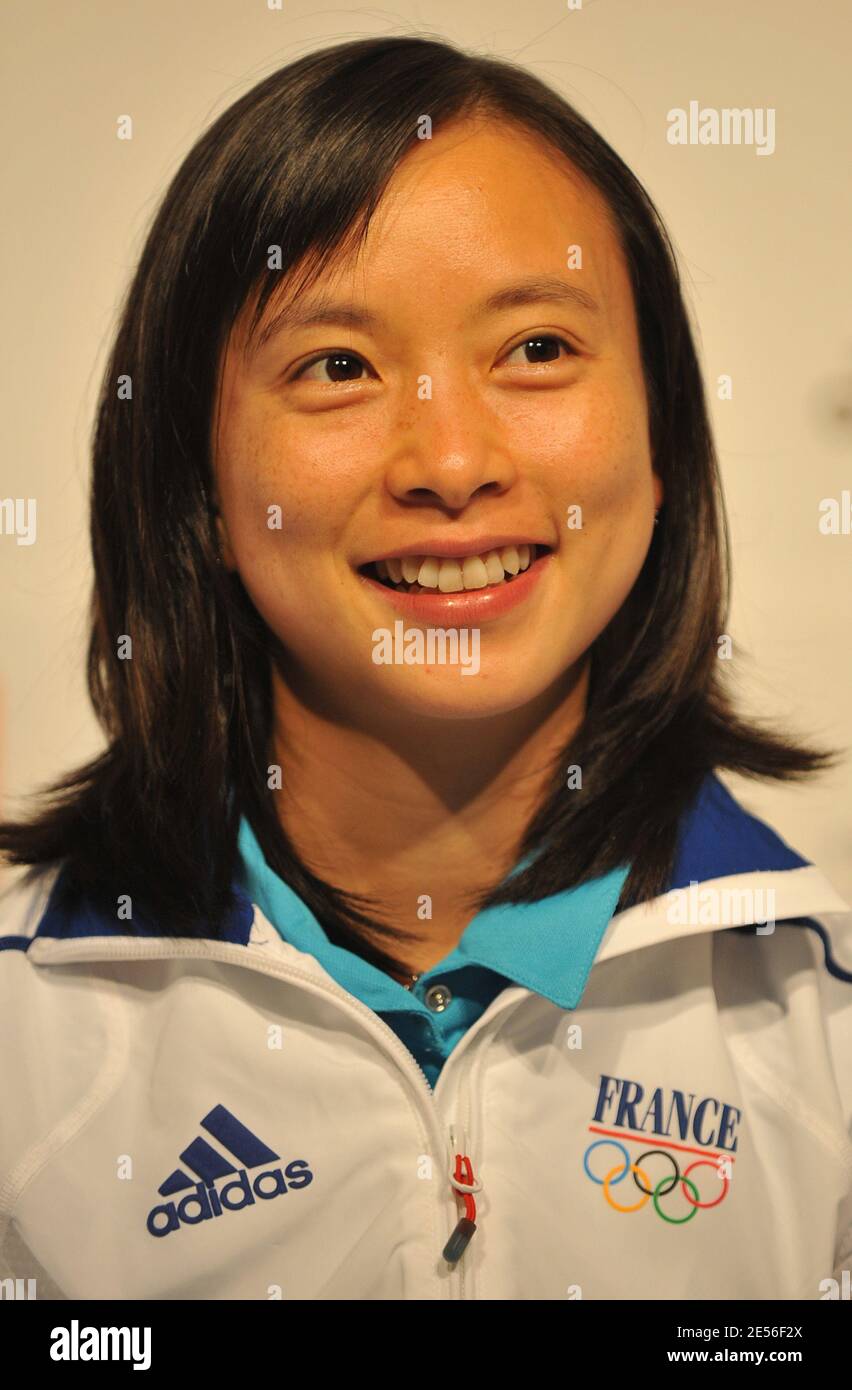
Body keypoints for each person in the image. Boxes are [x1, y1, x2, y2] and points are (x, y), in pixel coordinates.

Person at [0, 34, 850, 1302]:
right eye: (337, 367)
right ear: (200, 486)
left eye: (539, 350)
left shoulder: (816, 1017)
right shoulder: (32, 1038)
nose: (452, 461)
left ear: (664, 432)